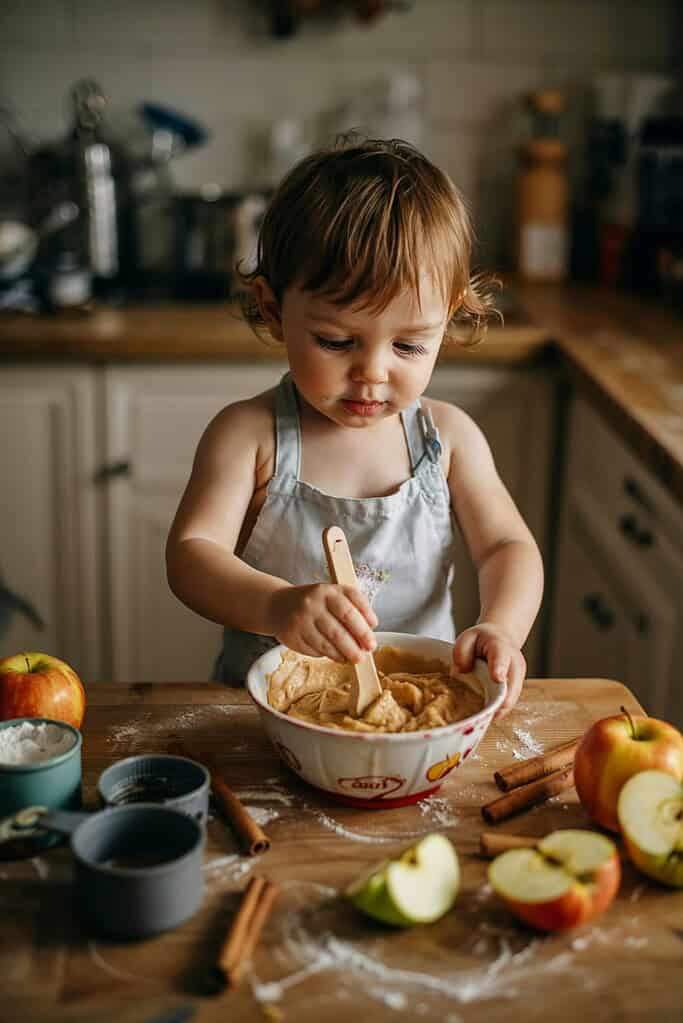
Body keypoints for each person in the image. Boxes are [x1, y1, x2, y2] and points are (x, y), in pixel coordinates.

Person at [166, 136, 543, 718]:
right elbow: (191, 557)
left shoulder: (449, 439)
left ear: (448, 317)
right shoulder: (250, 436)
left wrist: (502, 627)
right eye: (337, 341)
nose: (373, 373)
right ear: (273, 309)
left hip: (421, 720)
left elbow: (506, 547)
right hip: (259, 720)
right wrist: (276, 606)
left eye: (409, 345)